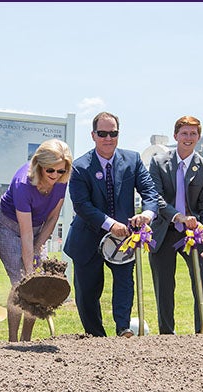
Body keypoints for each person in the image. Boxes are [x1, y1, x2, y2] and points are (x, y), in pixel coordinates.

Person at [64, 112, 160, 338]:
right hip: (87, 238)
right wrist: (110, 224)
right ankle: (95, 337)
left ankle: (123, 329)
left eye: (113, 133)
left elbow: (150, 192)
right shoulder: (79, 167)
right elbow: (81, 205)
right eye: (103, 133)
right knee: (87, 292)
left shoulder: (133, 160)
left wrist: (146, 214)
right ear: (93, 135)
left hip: (124, 239)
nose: (108, 138)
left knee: (125, 284)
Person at [0, 139, 72, 341]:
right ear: (39, 165)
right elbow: (25, 234)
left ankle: (26, 339)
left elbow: (52, 218)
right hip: (7, 225)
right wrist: (29, 272)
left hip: (36, 227)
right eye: (50, 170)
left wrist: (38, 247)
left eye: (60, 171)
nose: (55, 176)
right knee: (21, 282)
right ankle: (13, 340)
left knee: (39, 283)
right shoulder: (23, 184)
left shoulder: (61, 180)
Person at [148, 116, 203, 335]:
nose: (188, 138)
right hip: (164, 229)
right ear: (176, 135)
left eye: (193, 134)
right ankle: (166, 333)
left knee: (202, 281)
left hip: (193, 234)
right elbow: (156, 198)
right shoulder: (158, 162)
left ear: (199, 137)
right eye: (184, 133)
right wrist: (178, 216)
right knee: (164, 286)